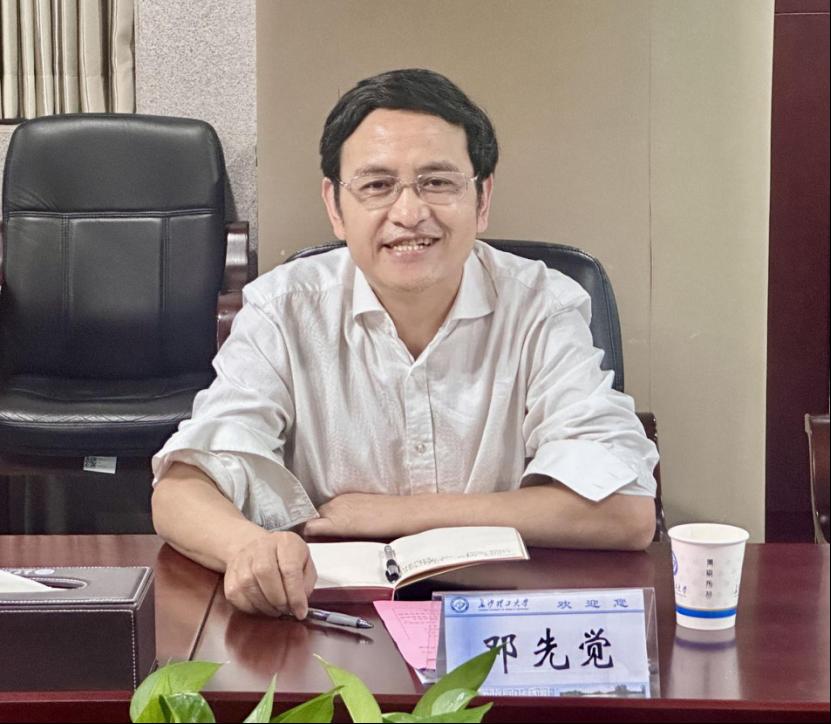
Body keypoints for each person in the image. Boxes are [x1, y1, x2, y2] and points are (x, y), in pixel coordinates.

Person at [151, 68, 659, 620]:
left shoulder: (542, 305)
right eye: (377, 185)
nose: (409, 213)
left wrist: (393, 515)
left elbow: (625, 511)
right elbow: (180, 490)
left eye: (437, 182)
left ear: (482, 199)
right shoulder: (283, 308)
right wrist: (248, 549)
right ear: (335, 206)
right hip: (329, 617)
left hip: (502, 615)